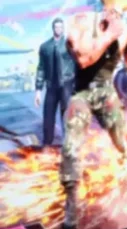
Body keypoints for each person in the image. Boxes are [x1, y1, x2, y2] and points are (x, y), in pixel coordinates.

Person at [61, 0, 127, 229]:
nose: (117, 11)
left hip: (106, 92)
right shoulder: (81, 22)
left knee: (123, 141)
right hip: (82, 93)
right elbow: (83, 59)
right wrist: (110, 35)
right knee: (71, 147)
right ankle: (71, 204)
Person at [34, 18, 77, 147]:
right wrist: (38, 90)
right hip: (51, 87)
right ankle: (47, 144)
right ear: (53, 28)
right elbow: (41, 68)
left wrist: (78, 86)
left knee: (67, 116)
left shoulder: (70, 45)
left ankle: (70, 144)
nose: (59, 29)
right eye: (57, 27)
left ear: (63, 28)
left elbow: (78, 64)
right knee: (48, 116)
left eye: (61, 27)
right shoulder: (45, 47)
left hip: (66, 86)